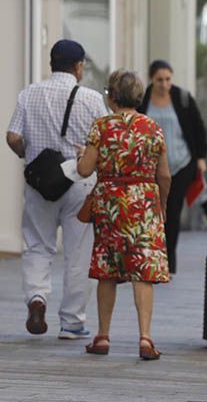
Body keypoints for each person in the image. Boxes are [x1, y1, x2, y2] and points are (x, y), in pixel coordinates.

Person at [6, 40, 107, 339]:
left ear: (52, 64)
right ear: (78, 67)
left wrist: (29, 155)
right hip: (79, 181)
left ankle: (37, 298)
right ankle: (72, 323)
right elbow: (103, 141)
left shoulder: (29, 93)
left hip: (40, 182)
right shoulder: (90, 99)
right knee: (78, 252)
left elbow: (12, 137)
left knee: (38, 244)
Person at [75, 70, 172, 360]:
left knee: (107, 269)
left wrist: (83, 154)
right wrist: (162, 204)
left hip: (110, 203)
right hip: (144, 202)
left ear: (112, 97)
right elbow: (164, 175)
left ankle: (103, 336)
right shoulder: (152, 127)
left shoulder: (102, 127)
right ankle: (145, 338)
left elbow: (84, 170)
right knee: (143, 269)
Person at [137, 61, 207, 274]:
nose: (164, 84)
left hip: (180, 164)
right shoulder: (142, 99)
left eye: (168, 79)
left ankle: (169, 262)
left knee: (172, 214)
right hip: (149, 167)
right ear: (151, 79)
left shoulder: (182, 98)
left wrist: (201, 158)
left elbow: (198, 128)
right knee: (149, 214)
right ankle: (149, 258)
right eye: (160, 79)